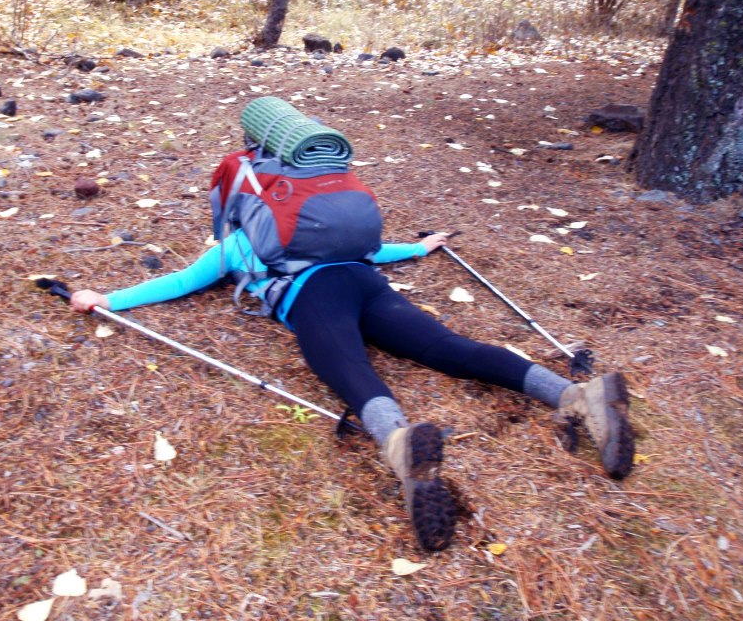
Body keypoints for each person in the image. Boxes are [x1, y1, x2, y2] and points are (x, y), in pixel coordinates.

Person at [70, 228, 634, 552]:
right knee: (452, 349)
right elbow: (374, 247)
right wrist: (417, 248)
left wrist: (109, 298)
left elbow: (182, 282)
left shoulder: (239, 239)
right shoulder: (327, 224)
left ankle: (398, 445)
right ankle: (576, 396)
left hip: (313, 296)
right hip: (367, 282)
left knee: (351, 370)